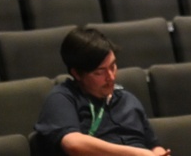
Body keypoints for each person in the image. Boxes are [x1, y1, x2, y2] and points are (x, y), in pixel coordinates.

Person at [34, 27, 169, 156]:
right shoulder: (62, 98)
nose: (111, 77)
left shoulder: (128, 99)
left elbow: (153, 145)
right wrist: (135, 153)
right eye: (100, 72)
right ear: (77, 74)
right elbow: (73, 144)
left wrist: (158, 153)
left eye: (113, 66)